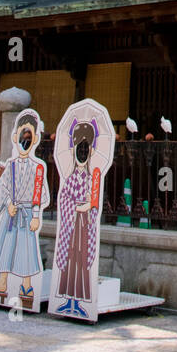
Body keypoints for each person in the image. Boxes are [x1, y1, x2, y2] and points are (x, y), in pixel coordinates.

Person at [0, 109, 48, 309]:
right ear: (15, 136)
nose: (25, 140)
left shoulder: (37, 167)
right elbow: (2, 187)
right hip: (11, 212)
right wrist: (8, 203)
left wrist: (36, 215)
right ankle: (2, 281)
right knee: (6, 246)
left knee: (26, 249)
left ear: (36, 138)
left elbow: (39, 192)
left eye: (29, 135)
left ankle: (26, 286)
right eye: (22, 135)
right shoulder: (9, 164)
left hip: (27, 212)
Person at [54, 120, 101, 318]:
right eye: (79, 148)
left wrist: (89, 205)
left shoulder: (93, 177)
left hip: (84, 224)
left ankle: (79, 301)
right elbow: (64, 197)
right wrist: (75, 207)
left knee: (81, 262)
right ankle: (68, 299)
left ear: (91, 151)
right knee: (70, 260)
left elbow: (96, 200)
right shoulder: (71, 177)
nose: (82, 153)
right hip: (72, 223)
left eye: (86, 148)